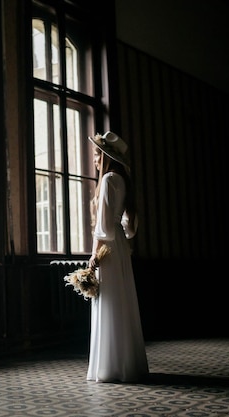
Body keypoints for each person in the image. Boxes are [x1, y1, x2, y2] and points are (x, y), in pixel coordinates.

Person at [86, 131, 149, 383]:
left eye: (96, 155)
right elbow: (126, 224)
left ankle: (110, 365)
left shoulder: (110, 179)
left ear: (105, 156)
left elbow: (103, 225)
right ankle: (125, 362)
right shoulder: (122, 179)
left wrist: (94, 256)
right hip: (120, 245)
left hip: (109, 246)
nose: (94, 161)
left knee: (109, 301)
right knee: (121, 299)